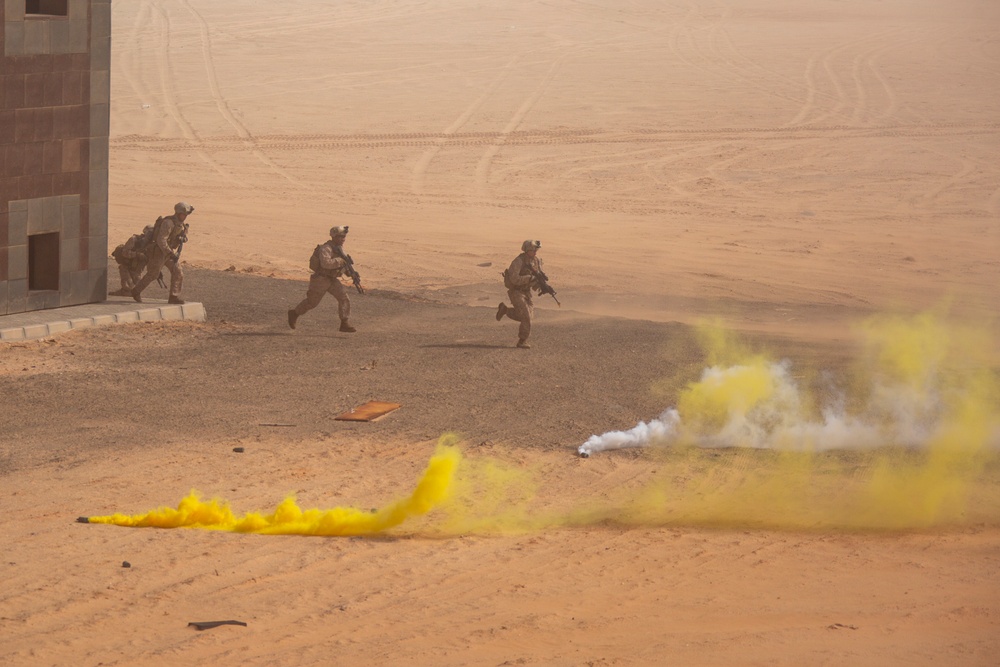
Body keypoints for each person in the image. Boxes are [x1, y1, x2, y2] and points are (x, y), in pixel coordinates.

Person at [287, 225, 361, 332]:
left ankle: (344, 323)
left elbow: (342, 265)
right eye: (340, 237)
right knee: (312, 303)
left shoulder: (339, 249)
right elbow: (326, 264)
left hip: (331, 279)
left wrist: (351, 273)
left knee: (344, 298)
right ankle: (294, 313)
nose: (343, 239)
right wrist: (340, 261)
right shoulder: (326, 248)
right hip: (320, 280)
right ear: (334, 237)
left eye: (344, 237)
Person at [131, 202, 194, 304]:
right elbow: (161, 240)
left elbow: (177, 237)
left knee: (178, 272)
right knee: (153, 274)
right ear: (178, 213)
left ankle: (174, 296)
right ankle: (136, 291)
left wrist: (182, 238)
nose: (185, 217)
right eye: (183, 214)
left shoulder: (180, 224)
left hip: (168, 253)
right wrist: (170, 252)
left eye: (186, 215)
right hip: (159, 252)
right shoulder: (168, 223)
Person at [496, 239, 546, 349]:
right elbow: (514, 279)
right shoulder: (518, 261)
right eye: (533, 250)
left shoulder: (536, 261)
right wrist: (529, 278)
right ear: (527, 250)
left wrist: (541, 285)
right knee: (527, 317)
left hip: (526, 292)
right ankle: (522, 341)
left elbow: (536, 280)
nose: (535, 253)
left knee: (527, 317)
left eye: (536, 250)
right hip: (516, 292)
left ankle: (505, 310)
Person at [109, 225, 153, 296]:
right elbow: (124, 252)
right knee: (129, 288)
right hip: (127, 268)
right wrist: (137, 254)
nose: (150, 235)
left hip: (137, 271)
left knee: (137, 289)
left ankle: (123, 291)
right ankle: (123, 291)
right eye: (149, 233)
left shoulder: (151, 245)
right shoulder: (134, 240)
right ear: (145, 232)